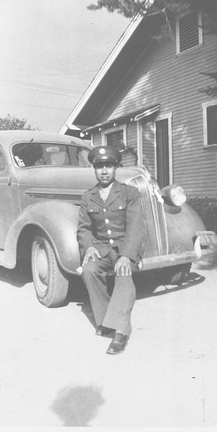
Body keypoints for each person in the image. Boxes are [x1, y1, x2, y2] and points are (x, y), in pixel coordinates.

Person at [77, 146, 143, 355]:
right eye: (99, 167)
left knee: (123, 272)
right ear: (94, 170)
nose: (104, 171)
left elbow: (135, 226)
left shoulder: (129, 193)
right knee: (89, 270)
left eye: (108, 166)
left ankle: (121, 331)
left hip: (125, 247)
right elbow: (84, 228)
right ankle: (107, 322)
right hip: (102, 248)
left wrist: (126, 256)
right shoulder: (88, 197)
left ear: (115, 168)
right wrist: (88, 248)